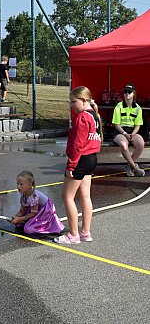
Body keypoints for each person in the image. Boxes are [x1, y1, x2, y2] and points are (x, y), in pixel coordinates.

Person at [54, 86, 102, 244]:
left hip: (81, 159)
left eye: (73, 102)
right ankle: (85, 232)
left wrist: (70, 166)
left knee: (67, 196)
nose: (72, 105)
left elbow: (78, 144)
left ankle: (73, 235)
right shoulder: (93, 115)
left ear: (83, 100)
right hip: (91, 159)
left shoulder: (82, 116)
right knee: (85, 196)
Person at [11, 170, 65, 235]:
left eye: (21, 184)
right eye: (18, 184)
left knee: (28, 228)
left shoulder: (33, 197)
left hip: (45, 210)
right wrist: (15, 217)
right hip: (35, 209)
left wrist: (19, 219)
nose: (18, 186)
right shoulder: (23, 195)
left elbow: (33, 213)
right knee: (19, 223)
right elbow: (22, 211)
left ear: (30, 185)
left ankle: (46, 225)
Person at [112, 83, 145, 177]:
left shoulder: (138, 108)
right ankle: (134, 167)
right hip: (120, 131)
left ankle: (129, 166)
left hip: (132, 131)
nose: (127, 94)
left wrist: (133, 134)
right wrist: (125, 133)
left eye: (129, 92)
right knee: (123, 145)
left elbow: (138, 125)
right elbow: (116, 124)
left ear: (133, 93)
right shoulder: (119, 106)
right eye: (125, 92)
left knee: (141, 144)